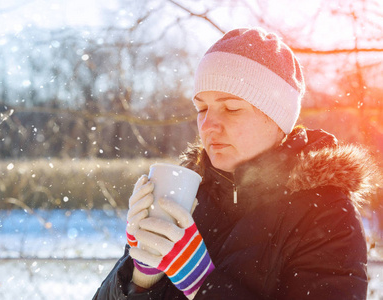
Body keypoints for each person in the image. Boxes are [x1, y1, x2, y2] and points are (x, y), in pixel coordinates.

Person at [92, 27, 378, 299]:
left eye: (231, 108)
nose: (209, 126)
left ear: (277, 118)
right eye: (202, 108)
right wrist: (139, 276)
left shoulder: (326, 215)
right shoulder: (188, 197)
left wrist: (201, 282)